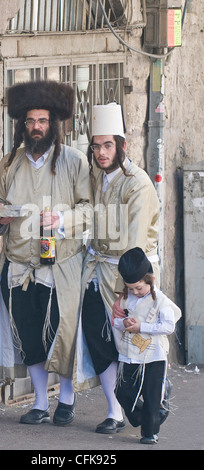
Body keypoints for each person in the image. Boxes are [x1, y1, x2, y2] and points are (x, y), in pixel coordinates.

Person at [0, 80, 92, 426]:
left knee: (60, 333)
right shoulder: (9, 164)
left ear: (53, 125)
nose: (36, 128)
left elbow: (90, 210)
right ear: (23, 125)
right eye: (31, 121)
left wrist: (63, 218)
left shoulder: (74, 162)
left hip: (59, 264)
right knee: (28, 334)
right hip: (18, 265)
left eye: (43, 121)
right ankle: (39, 404)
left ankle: (65, 398)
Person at [74, 103, 160, 435]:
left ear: (122, 145)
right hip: (96, 273)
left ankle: (149, 403)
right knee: (99, 342)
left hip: (128, 278)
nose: (100, 152)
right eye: (95, 146)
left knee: (132, 344)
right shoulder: (94, 176)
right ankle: (115, 410)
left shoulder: (138, 185)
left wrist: (126, 292)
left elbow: (134, 247)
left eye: (108, 145)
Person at [112, 247, 181, 444]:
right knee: (122, 391)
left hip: (154, 355)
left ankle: (150, 432)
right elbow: (115, 322)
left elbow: (168, 326)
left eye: (139, 288)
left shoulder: (161, 301)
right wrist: (122, 323)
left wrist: (142, 326)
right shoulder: (124, 300)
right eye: (130, 288)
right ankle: (148, 417)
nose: (135, 292)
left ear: (150, 280)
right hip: (129, 353)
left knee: (150, 396)